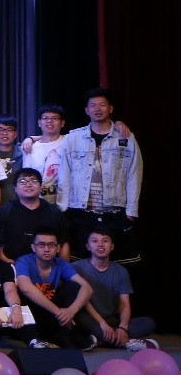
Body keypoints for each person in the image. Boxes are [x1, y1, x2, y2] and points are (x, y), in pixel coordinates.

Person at [57, 88, 144, 263]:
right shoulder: (73, 138)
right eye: (93, 105)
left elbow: (134, 175)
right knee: (79, 264)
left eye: (102, 105)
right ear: (86, 110)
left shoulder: (126, 137)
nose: (97, 109)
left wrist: (131, 212)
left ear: (110, 108)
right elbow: (64, 175)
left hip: (114, 211)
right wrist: (62, 210)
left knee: (118, 264)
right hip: (80, 211)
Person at [72, 228, 158, 350]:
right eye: (95, 241)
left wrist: (123, 328)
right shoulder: (76, 267)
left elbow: (125, 304)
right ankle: (125, 342)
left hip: (112, 320)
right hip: (90, 319)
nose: (100, 244)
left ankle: (102, 339)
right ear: (88, 246)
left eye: (105, 241)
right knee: (77, 317)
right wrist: (102, 323)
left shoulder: (121, 271)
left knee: (148, 322)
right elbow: (83, 302)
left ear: (112, 246)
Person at [14, 228, 95, 350]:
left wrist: (70, 311)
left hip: (53, 313)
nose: (46, 249)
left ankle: (66, 334)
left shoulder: (61, 263)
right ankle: (38, 339)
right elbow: (25, 288)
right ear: (33, 247)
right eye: (41, 245)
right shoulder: (23, 261)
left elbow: (87, 288)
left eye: (51, 245)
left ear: (58, 248)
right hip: (33, 311)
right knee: (21, 296)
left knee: (74, 287)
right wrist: (58, 313)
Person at [0, 167, 69, 262]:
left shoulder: (54, 212)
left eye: (33, 181)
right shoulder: (4, 211)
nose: (28, 184)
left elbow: (64, 243)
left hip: (47, 266)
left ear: (41, 187)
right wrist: (4, 259)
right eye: (22, 181)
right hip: (11, 265)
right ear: (15, 188)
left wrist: (64, 268)